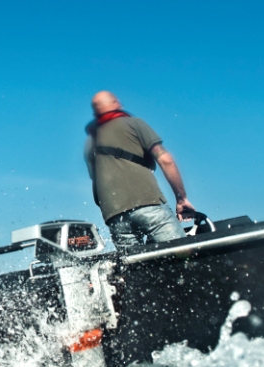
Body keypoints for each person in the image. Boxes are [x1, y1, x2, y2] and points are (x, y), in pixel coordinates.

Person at [84, 90, 197, 251]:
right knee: (182, 255)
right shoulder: (134, 124)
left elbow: (96, 183)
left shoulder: (89, 144)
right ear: (116, 103)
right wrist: (181, 199)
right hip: (148, 204)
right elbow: (165, 159)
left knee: (138, 269)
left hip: (115, 216)